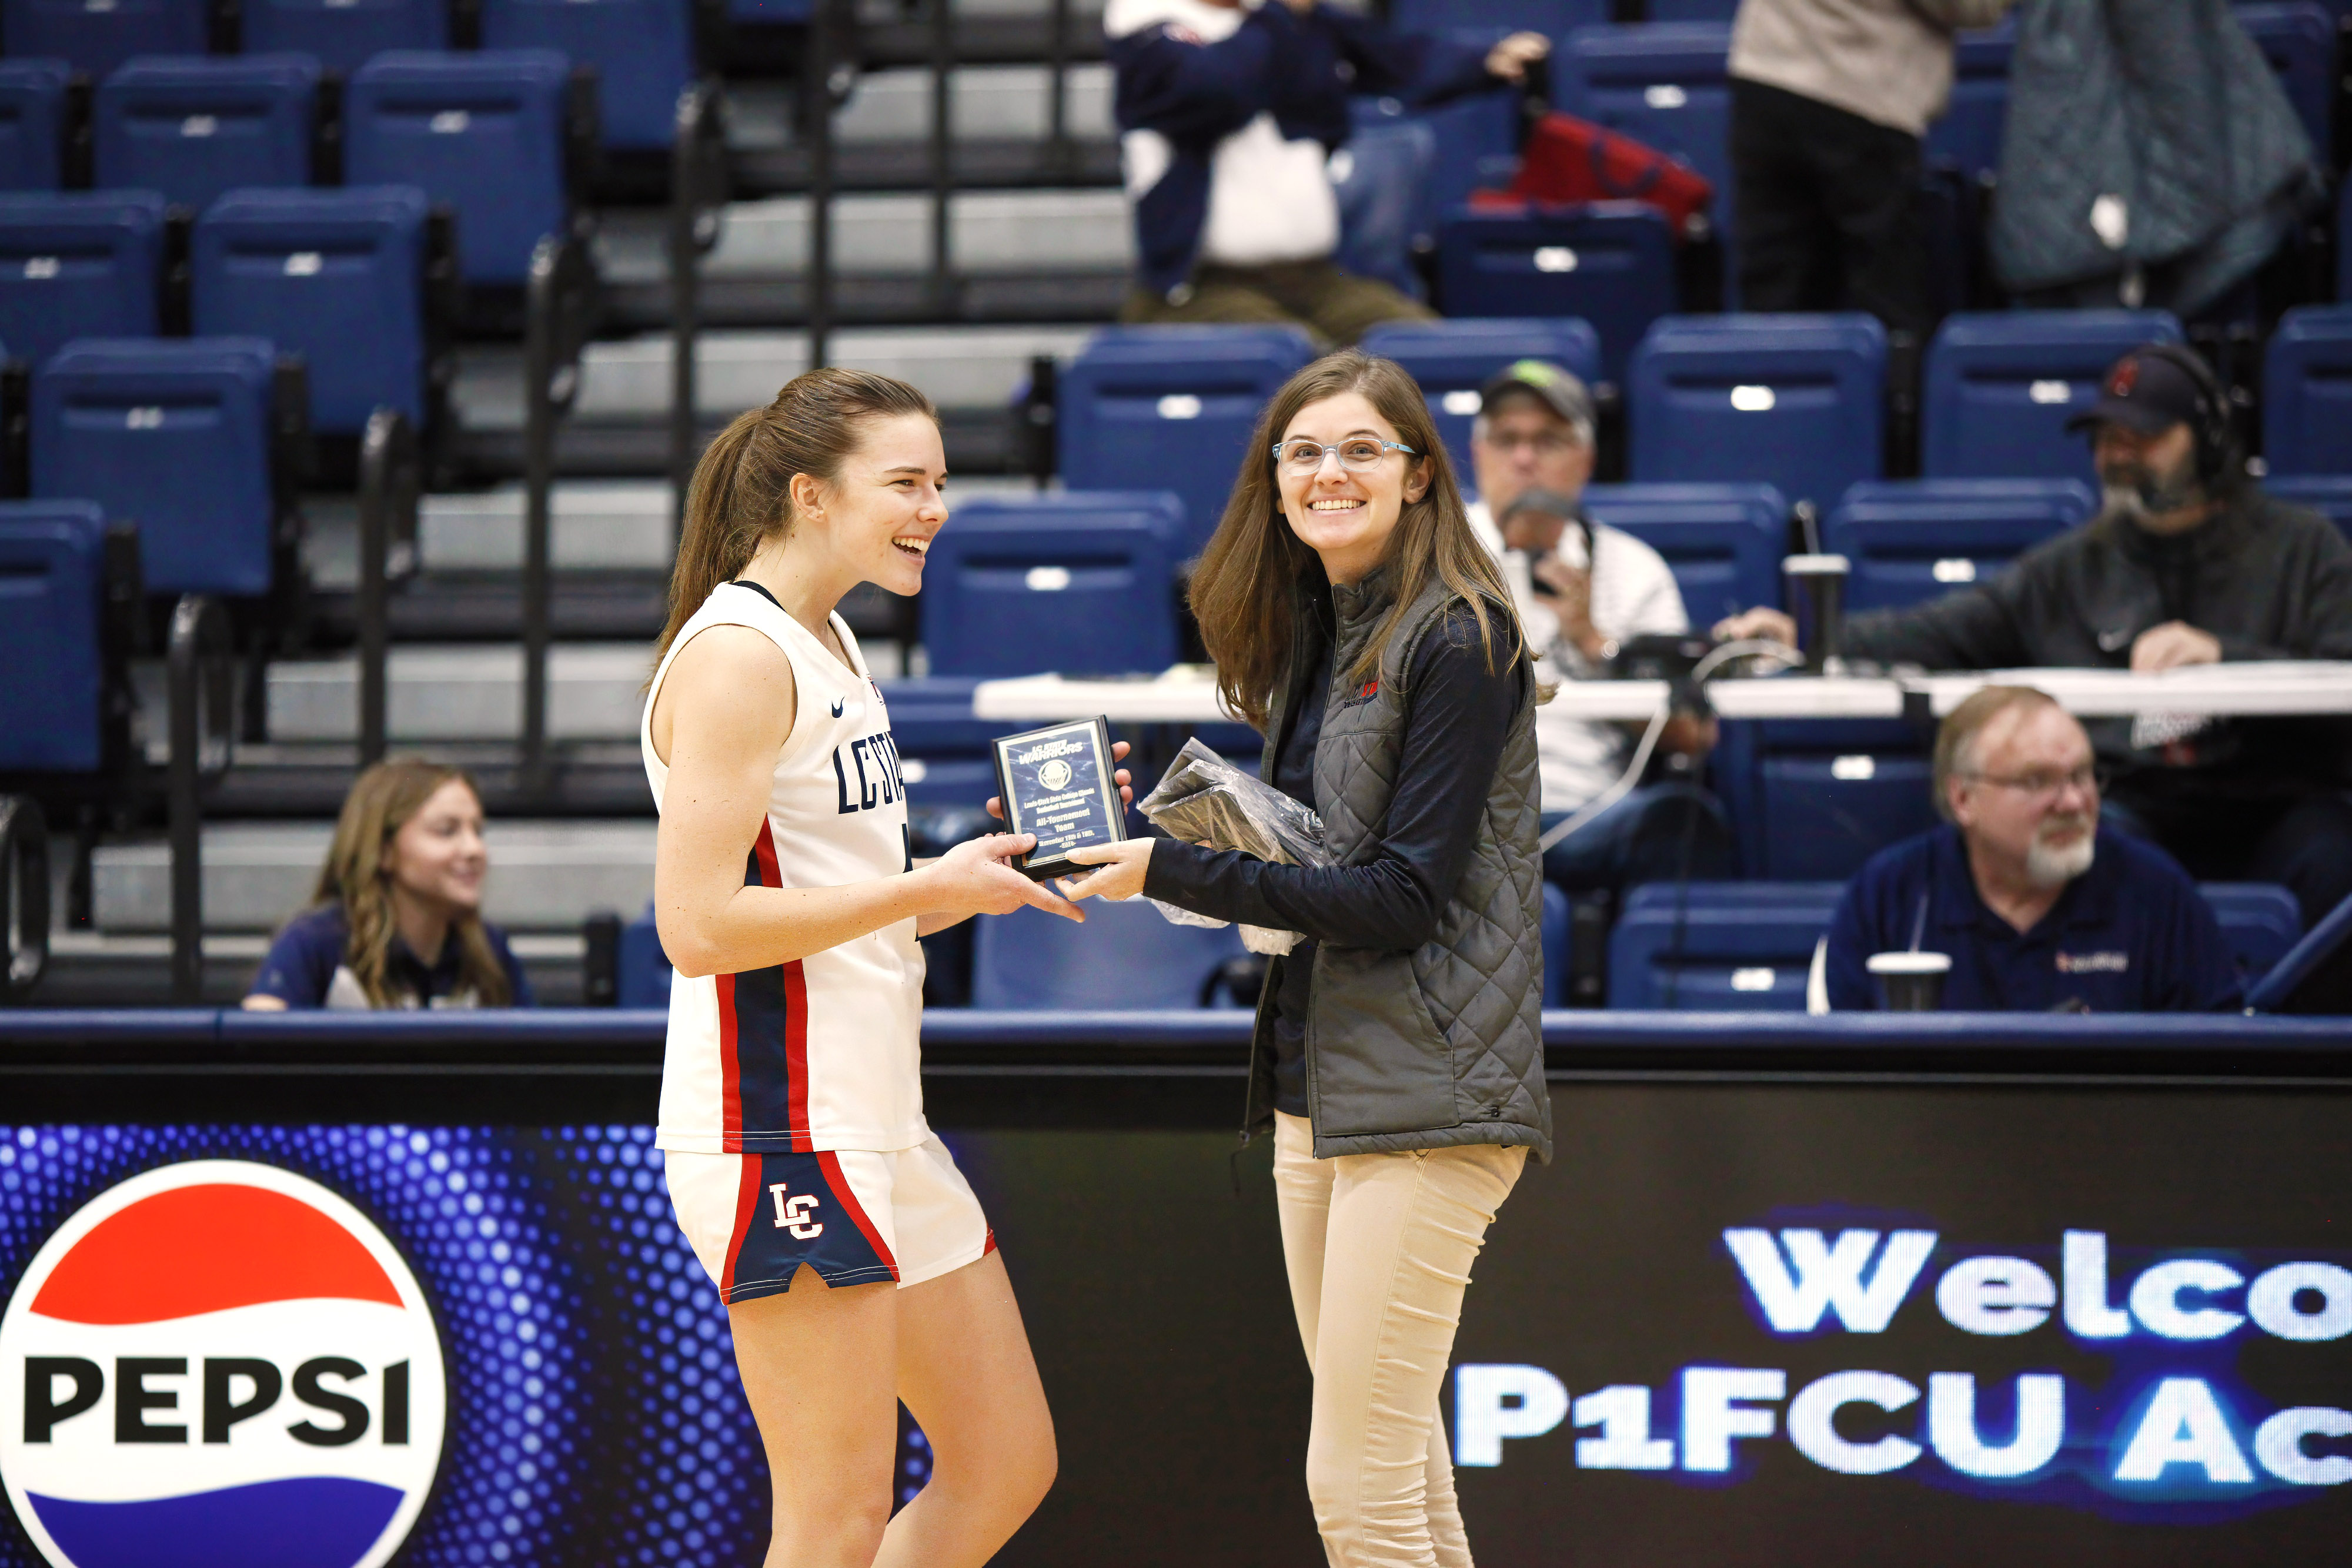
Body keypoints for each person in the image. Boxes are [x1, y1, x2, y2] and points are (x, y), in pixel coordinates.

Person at [1051, 350, 1548, 1566]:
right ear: (1273, 483)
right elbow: (1317, 856)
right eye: (1303, 453)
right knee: (1401, 1474)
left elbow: (1393, 897)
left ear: (1420, 474)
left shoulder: (1460, 636)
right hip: (1312, 1089)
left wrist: (1165, 871)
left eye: (1360, 449)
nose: (1329, 473)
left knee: (1356, 1485)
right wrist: (1175, 833)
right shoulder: (1324, 630)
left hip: (1427, 1095)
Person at [643, 369, 1125, 1567]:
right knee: (830, 1516)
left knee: (1005, 1460)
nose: (934, 508)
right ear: (810, 495)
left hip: (874, 1120)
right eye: (905, 483)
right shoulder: (739, 658)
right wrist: (921, 886)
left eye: (940, 483)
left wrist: (979, 873)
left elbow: (837, 904)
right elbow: (697, 926)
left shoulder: (833, 636)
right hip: (782, 1127)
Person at [1716, 344, 2352, 936]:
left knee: (2333, 855)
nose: (2119, 456)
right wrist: (1806, 638)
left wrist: (2225, 661)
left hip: (2278, 794)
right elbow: (1941, 631)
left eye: (2145, 438)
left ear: (2211, 445)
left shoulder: (2302, 547)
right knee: (2082, 844)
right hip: (2131, 796)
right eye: (2106, 440)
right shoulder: (2068, 567)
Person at [1107, 0, 1548, 345]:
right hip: (1200, 289)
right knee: (1313, 377)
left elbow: (1393, 58)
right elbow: (1215, 89)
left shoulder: (1281, 21)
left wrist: (1483, 63)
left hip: (1315, 279)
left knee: (1425, 355)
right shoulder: (1145, 25)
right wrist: (1279, 15)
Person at [1466, 359, 1733, 892]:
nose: (1524, 458)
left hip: (1585, 818)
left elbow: (1693, 735)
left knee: (1682, 818)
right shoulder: (1424, 557)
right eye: (1507, 439)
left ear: (1585, 459)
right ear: (1477, 456)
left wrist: (1592, 641)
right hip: (1457, 815)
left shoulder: (1633, 569)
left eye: (1547, 440)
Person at [1825, 686, 2241, 1011]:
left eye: (2082, 775)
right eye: (2037, 781)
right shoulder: (1888, 897)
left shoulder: (2156, 895)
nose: (2074, 802)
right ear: (1963, 798)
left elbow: (2219, 1065)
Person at [1728, 0, 2017, 336]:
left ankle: (1773, 385)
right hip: (1860, 94)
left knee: (1773, 298)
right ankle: (1895, 387)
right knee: (1889, 303)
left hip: (1763, 79)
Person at [243, 758, 532, 1011]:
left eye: (478, 831)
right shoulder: (315, 942)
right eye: (447, 831)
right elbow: (253, 1049)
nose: (475, 850)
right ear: (383, 850)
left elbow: (536, 1058)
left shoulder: (489, 950)